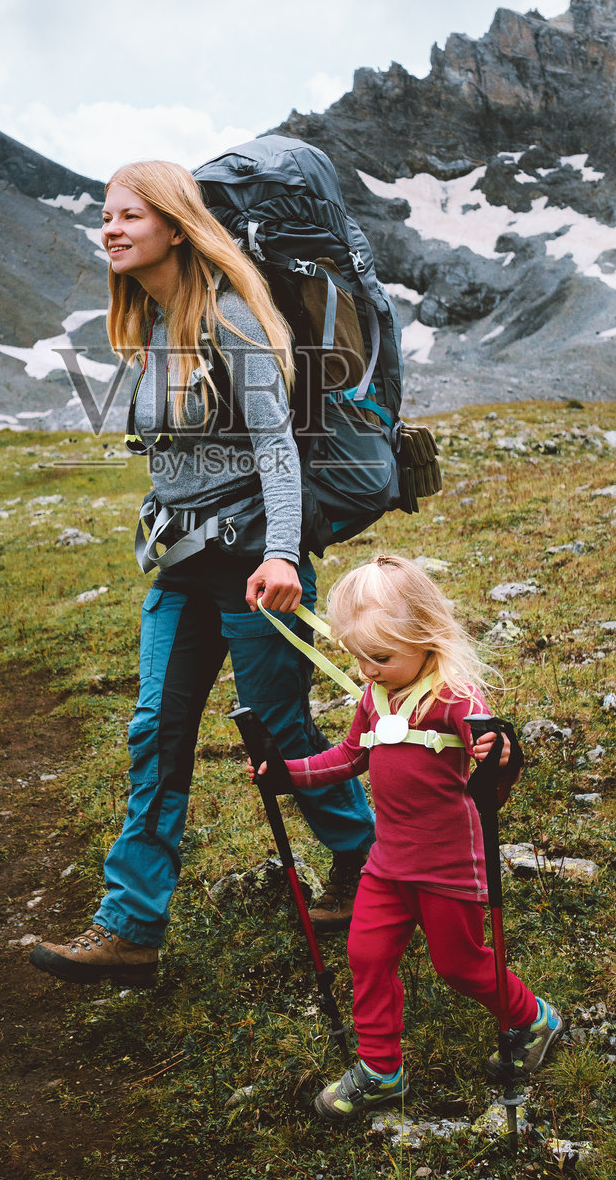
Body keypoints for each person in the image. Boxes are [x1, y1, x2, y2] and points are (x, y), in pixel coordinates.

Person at [30, 162, 376, 989]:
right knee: (156, 731)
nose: (110, 229)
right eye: (105, 218)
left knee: (280, 729)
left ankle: (366, 866)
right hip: (182, 568)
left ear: (176, 227)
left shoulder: (231, 319)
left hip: (256, 567)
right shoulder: (148, 325)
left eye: (129, 217)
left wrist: (284, 557)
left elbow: (275, 451)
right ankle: (131, 926)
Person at [252, 554, 563, 1123]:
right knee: (365, 954)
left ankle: (534, 1017)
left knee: (461, 965)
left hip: (448, 866)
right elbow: (348, 759)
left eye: (381, 657)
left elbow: (491, 782)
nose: (367, 669)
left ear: (426, 637)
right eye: (358, 657)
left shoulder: (455, 700)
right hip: (387, 862)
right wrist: (287, 774)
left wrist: (501, 756)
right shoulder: (373, 698)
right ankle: (380, 1071)